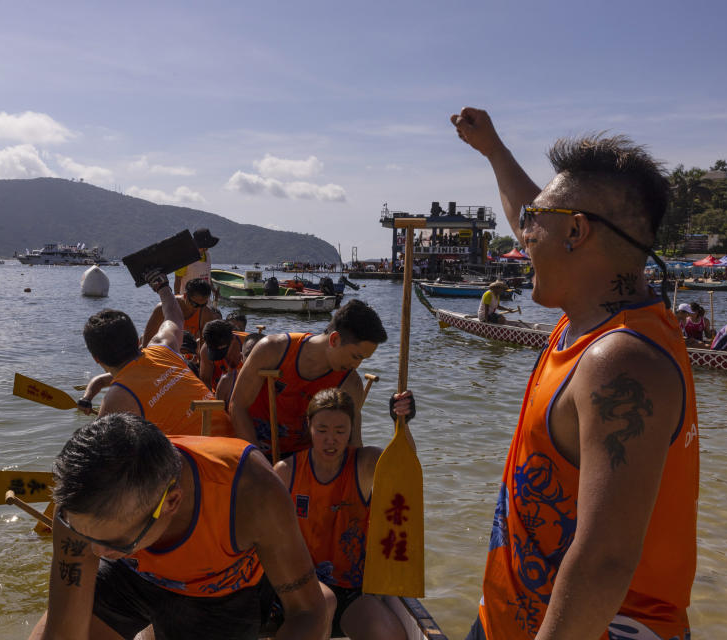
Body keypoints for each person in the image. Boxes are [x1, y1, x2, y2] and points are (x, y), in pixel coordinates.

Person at [452, 107, 699, 640]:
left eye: (532, 223)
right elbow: (533, 209)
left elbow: (604, 561)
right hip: (512, 615)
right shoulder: (599, 325)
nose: (522, 233)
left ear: (575, 232)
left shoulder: (619, 361)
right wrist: (494, 151)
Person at [28, 413, 328, 640]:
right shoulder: (77, 507)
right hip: (133, 576)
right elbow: (62, 634)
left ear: (171, 502)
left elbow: (307, 611)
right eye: (84, 536)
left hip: (217, 593)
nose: (93, 552)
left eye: (114, 543)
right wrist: (105, 543)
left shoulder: (252, 490)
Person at [273, 388, 415, 640]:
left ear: (352, 429)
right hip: (301, 590)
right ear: (309, 426)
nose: (331, 440)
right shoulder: (286, 472)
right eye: (322, 431)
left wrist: (401, 423)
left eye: (340, 432)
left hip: (353, 590)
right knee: (324, 603)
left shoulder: (366, 463)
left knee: (392, 635)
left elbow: (404, 474)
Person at [77, 271, 231, 437]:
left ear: (96, 358)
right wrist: (162, 287)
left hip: (199, 455)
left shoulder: (116, 397)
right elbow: (174, 316)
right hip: (234, 438)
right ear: (137, 342)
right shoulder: (164, 347)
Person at [229, 299, 387, 458]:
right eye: (355, 356)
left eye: (363, 360)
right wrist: (258, 463)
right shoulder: (272, 349)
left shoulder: (350, 384)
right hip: (255, 450)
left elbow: (353, 442)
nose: (356, 365)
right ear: (334, 340)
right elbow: (237, 405)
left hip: (305, 461)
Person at [142, 279, 220, 346]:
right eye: (194, 304)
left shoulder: (206, 314)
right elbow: (146, 342)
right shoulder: (162, 308)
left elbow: (204, 346)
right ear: (185, 296)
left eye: (203, 304)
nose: (198, 308)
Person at [198, 319, 248, 391]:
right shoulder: (205, 350)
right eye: (214, 351)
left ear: (233, 339)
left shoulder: (249, 345)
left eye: (222, 351)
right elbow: (205, 381)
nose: (220, 357)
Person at [216, 333, 263, 410]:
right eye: (249, 354)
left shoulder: (277, 383)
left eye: (260, 353)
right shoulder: (226, 381)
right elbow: (218, 417)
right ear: (241, 358)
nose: (254, 358)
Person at [174, 227, 218, 294]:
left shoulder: (207, 255)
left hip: (205, 300)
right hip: (187, 301)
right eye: (204, 246)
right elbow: (178, 280)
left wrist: (213, 290)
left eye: (207, 246)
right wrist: (177, 299)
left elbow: (208, 276)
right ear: (196, 245)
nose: (206, 249)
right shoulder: (185, 258)